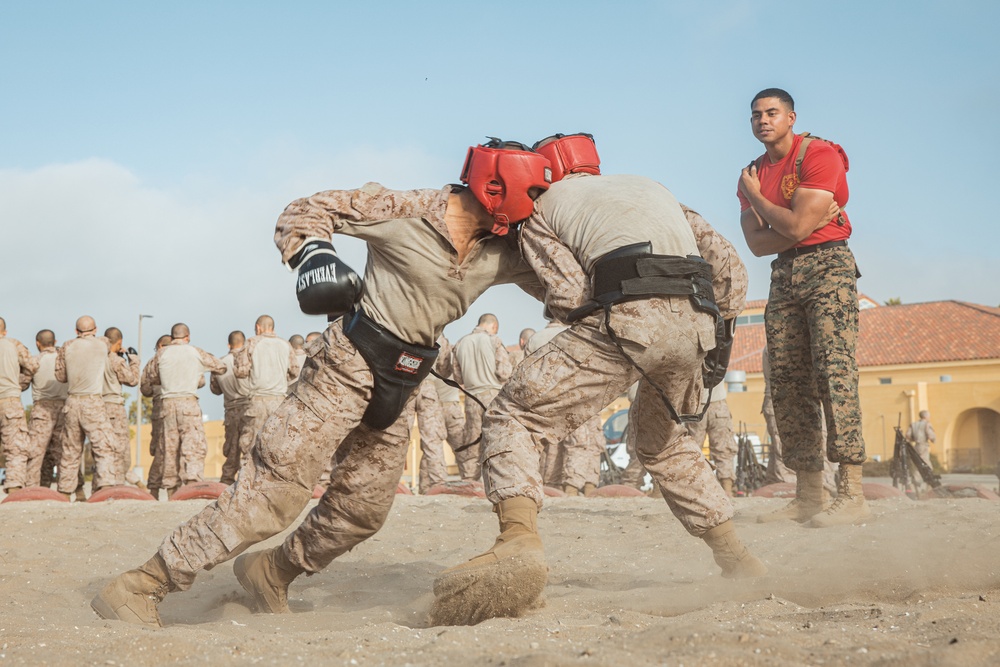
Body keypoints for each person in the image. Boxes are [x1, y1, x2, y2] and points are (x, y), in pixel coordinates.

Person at [92, 141, 547, 628]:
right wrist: (314, 255)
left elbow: (565, 282)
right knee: (274, 492)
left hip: (404, 378)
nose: (539, 205)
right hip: (345, 363)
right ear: (498, 187)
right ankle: (143, 582)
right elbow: (307, 209)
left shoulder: (506, 249)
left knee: (363, 508)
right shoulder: (404, 210)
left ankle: (273, 571)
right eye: (537, 192)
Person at [432, 134, 765, 626]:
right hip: (698, 321)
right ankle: (740, 561)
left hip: (629, 315)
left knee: (515, 415)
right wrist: (714, 333)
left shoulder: (543, 210)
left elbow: (568, 294)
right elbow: (733, 272)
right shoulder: (655, 189)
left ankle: (518, 540)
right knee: (665, 443)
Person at [737, 88, 869, 527]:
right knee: (788, 381)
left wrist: (762, 202)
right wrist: (793, 226)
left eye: (772, 113)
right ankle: (809, 493)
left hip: (829, 264)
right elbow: (757, 245)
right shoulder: (751, 172)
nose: (763, 120)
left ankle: (852, 494)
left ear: (791, 117)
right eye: (756, 115)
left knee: (834, 372)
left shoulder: (819, 154)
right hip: (784, 273)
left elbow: (794, 224)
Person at [139, 323, 226, 497]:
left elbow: (148, 379)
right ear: (188, 337)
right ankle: (193, 483)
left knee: (169, 448)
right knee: (193, 445)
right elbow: (221, 366)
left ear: (171, 338)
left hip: (167, 404)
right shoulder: (195, 351)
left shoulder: (160, 354)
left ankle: (171, 488)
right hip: (188, 402)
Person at [525, 320, 603, 496]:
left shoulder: (534, 339)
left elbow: (527, 372)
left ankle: (552, 487)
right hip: (574, 396)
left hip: (545, 400)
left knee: (551, 445)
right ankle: (575, 488)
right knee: (578, 444)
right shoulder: (576, 335)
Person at [55, 316, 120, 497]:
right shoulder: (102, 344)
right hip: (93, 402)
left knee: (70, 450)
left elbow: (61, 377)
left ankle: (66, 492)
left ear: (76, 331)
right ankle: (105, 487)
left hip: (72, 401)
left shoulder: (67, 346)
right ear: (95, 329)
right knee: (103, 446)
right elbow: (109, 342)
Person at [233, 315, 299, 470]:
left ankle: (248, 483)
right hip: (279, 401)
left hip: (258, 400)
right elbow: (294, 371)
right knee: (278, 443)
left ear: (258, 327)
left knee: (251, 444)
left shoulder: (252, 343)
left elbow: (240, 371)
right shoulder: (285, 344)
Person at [452, 313, 512, 481]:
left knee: (472, 440)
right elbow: (504, 372)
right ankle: (495, 480)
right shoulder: (494, 341)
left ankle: (470, 480)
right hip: (492, 396)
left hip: (471, 398)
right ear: (493, 326)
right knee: (495, 438)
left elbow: (458, 378)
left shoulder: (460, 343)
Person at [24, 330, 69, 489]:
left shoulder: (35, 361)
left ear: (38, 343)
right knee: (63, 452)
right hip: (64, 408)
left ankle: (31, 489)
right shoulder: (63, 361)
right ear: (55, 341)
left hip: (42, 408)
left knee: (35, 453)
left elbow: (22, 384)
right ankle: (71, 489)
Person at [0, 317, 39, 494]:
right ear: (4, 331)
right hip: (9, 400)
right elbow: (33, 366)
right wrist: (20, 381)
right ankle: (14, 485)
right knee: (16, 446)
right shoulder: (13, 345)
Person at [101, 327, 141, 487]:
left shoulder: (96, 357)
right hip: (114, 406)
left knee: (103, 447)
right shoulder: (117, 361)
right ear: (119, 343)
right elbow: (132, 380)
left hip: (96, 405)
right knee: (121, 449)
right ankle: (118, 483)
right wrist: (134, 361)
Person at [211, 331, 251, 486]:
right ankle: (247, 481)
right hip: (248, 407)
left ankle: (226, 481)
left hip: (230, 410)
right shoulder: (248, 361)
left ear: (229, 345)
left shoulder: (220, 363)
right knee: (250, 447)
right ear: (245, 343)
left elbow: (215, 390)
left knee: (232, 450)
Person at [686, 382, 738, 496]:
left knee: (693, 451)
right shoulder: (720, 363)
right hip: (718, 404)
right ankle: (727, 488)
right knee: (724, 448)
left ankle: (695, 489)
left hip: (696, 405)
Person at [142, 335, 172, 500]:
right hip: (182, 406)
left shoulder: (153, 362)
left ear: (159, 345)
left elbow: (144, 388)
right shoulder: (180, 358)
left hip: (160, 407)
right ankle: (173, 489)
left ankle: (154, 488)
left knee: (161, 450)